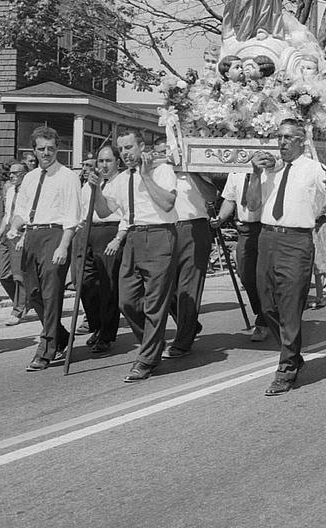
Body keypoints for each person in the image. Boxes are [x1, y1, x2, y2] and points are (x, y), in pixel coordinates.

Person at [245, 118, 326, 396]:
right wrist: (254, 173)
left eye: (289, 137)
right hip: (267, 238)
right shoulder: (267, 170)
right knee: (267, 306)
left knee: (290, 307)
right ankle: (293, 353)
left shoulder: (315, 169)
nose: (282, 142)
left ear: (301, 140)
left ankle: (286, 369)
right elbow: (252, 205)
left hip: (297, 241)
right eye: (279, 137)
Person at [92, 129, 178, 382]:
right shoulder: (119, 180)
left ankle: (147, 358)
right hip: (132, 237)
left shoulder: (161, 169)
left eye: (129, 148)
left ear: (141, 146)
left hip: (159, 235)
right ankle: (153, 342)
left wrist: (146, 176)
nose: (125, 154)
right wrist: (96, 188)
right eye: (122, 150)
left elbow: (168, 204)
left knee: (154, 302)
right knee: (127, 301)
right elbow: (105, 210)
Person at [7, 126, 82, 372]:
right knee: (34, 294)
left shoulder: (68, 176)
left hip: (55, 235)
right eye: (41, 149)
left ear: (58, 149)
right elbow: (22, 211)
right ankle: (60, 335)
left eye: (51, 149)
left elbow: (73, 215)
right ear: (35, 151)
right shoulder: (29, 177)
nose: (46, 153)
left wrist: (63, 245)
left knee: (51, 296)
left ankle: (47, 349)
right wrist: (14, 228)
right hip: (32, 236)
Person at [155, 141, 217, 360]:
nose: (166, 156)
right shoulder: (156, 174)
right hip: (165, 232)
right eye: (161, 152)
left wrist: (191, 172)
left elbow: (212, 196)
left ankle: (183, 341)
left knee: (188, 288)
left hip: (193, 228)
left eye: (168, 152)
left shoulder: (193, 171)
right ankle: (189, 324)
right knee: (163, 287)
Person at [78, 144, 128, 355]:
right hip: (89, 231)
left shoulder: (123, 181)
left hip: (110, 231)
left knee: (108, 286)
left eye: (108, 160)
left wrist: (118, 238)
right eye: (101, 161)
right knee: (85, 282)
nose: (104, 165)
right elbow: (81, 209)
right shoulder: (90, 183)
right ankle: (96, 324)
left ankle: (106, 334)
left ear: (117, 161)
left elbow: (114, 211)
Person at [214, 171, 269, 341]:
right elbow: (230, 199)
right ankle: (264, 312)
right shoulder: (235, 171)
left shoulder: (271, 169)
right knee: (246, 275)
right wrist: (220, 218)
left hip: (267, 227)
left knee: (265, 277)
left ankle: (263, 321)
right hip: (246, 229)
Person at [0, 160, 29, 325]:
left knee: (18, 275)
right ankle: (24, 301)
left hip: (21, 232)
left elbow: (31, 216)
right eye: (11, 173)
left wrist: (24, 236)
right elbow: (7, 215)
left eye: (16, 173)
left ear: (25, 174)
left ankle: (18, 310)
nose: (12, 176)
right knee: (3, 273)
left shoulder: (30, 192)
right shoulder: (10, 190)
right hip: (8, 233)